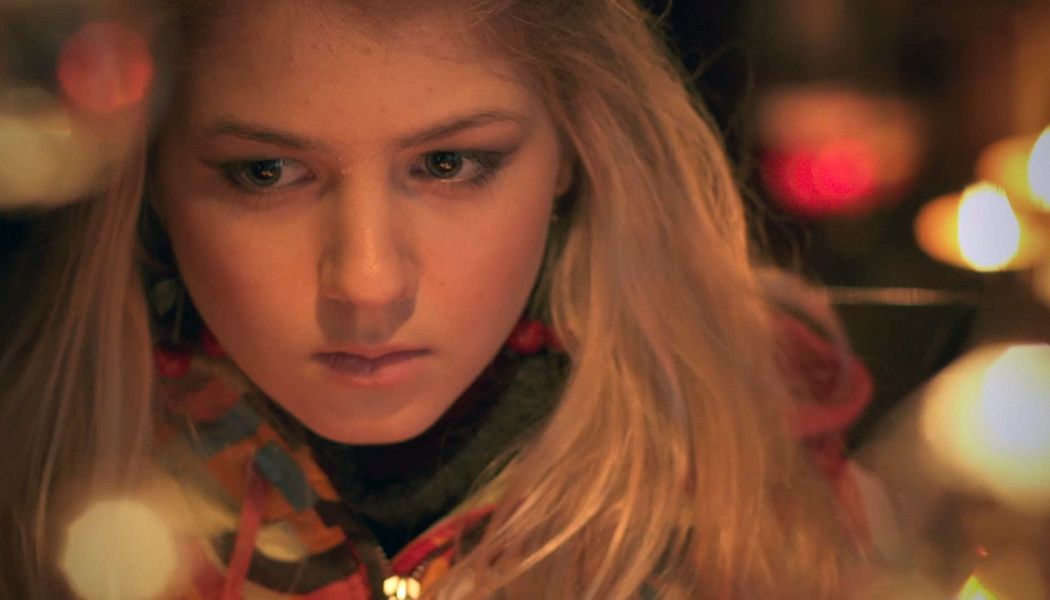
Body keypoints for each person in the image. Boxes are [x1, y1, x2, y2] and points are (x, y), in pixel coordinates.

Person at [0, 0, 883, 598]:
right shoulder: (44, 505)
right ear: (145, 173)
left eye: (449, 164)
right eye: (266, 173)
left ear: (575, 147)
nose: (368, 282)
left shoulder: (771, 492)